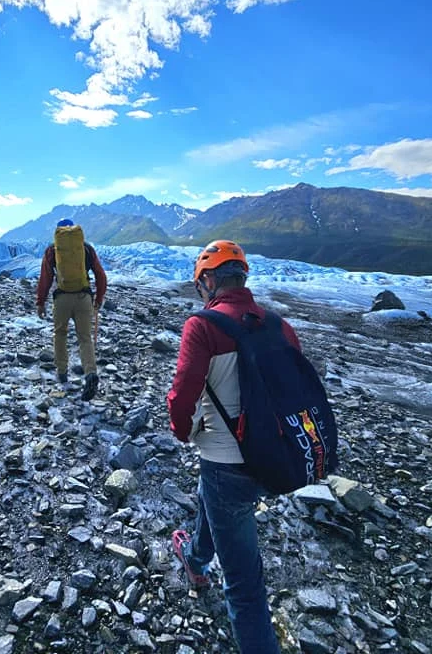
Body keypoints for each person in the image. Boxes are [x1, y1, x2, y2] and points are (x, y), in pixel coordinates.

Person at [166, 240, 301, 654]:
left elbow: (182, 397)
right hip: (278, 459)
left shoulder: (203, 326)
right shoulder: (278, 325)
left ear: (207, 280)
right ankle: (195, 557)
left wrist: (186, 432)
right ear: (242, 277)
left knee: (244, 588)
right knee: (215, 499)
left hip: (227, 463)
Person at [36, 218, 107, 401]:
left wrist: (40, 302)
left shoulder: (53, 250)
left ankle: (62, 372)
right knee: (85, 338)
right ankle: (90, 372)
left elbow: (45, 278)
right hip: (84, 299)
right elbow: (101, 275)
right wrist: (98, 299)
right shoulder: (86, 249)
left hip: (62, 299)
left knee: (60, 334)